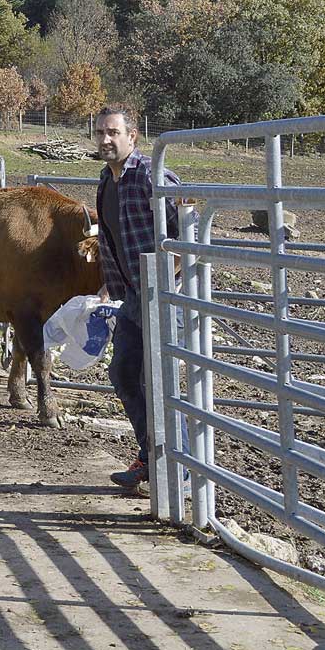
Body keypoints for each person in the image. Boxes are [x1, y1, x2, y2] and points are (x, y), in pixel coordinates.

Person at [93, 104, 188, 495]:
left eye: (114, 132)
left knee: (161, 382)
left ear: (133, 136)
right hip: (134, 297)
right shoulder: (106, 181)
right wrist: (108, 287)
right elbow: (112, 241)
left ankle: (178, 472)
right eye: (100, 133)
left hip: (164, 293)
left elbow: (187, 229)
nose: (105, 140)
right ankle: (150, 457)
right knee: (124, 374)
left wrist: (173, 277)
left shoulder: (152, 176)